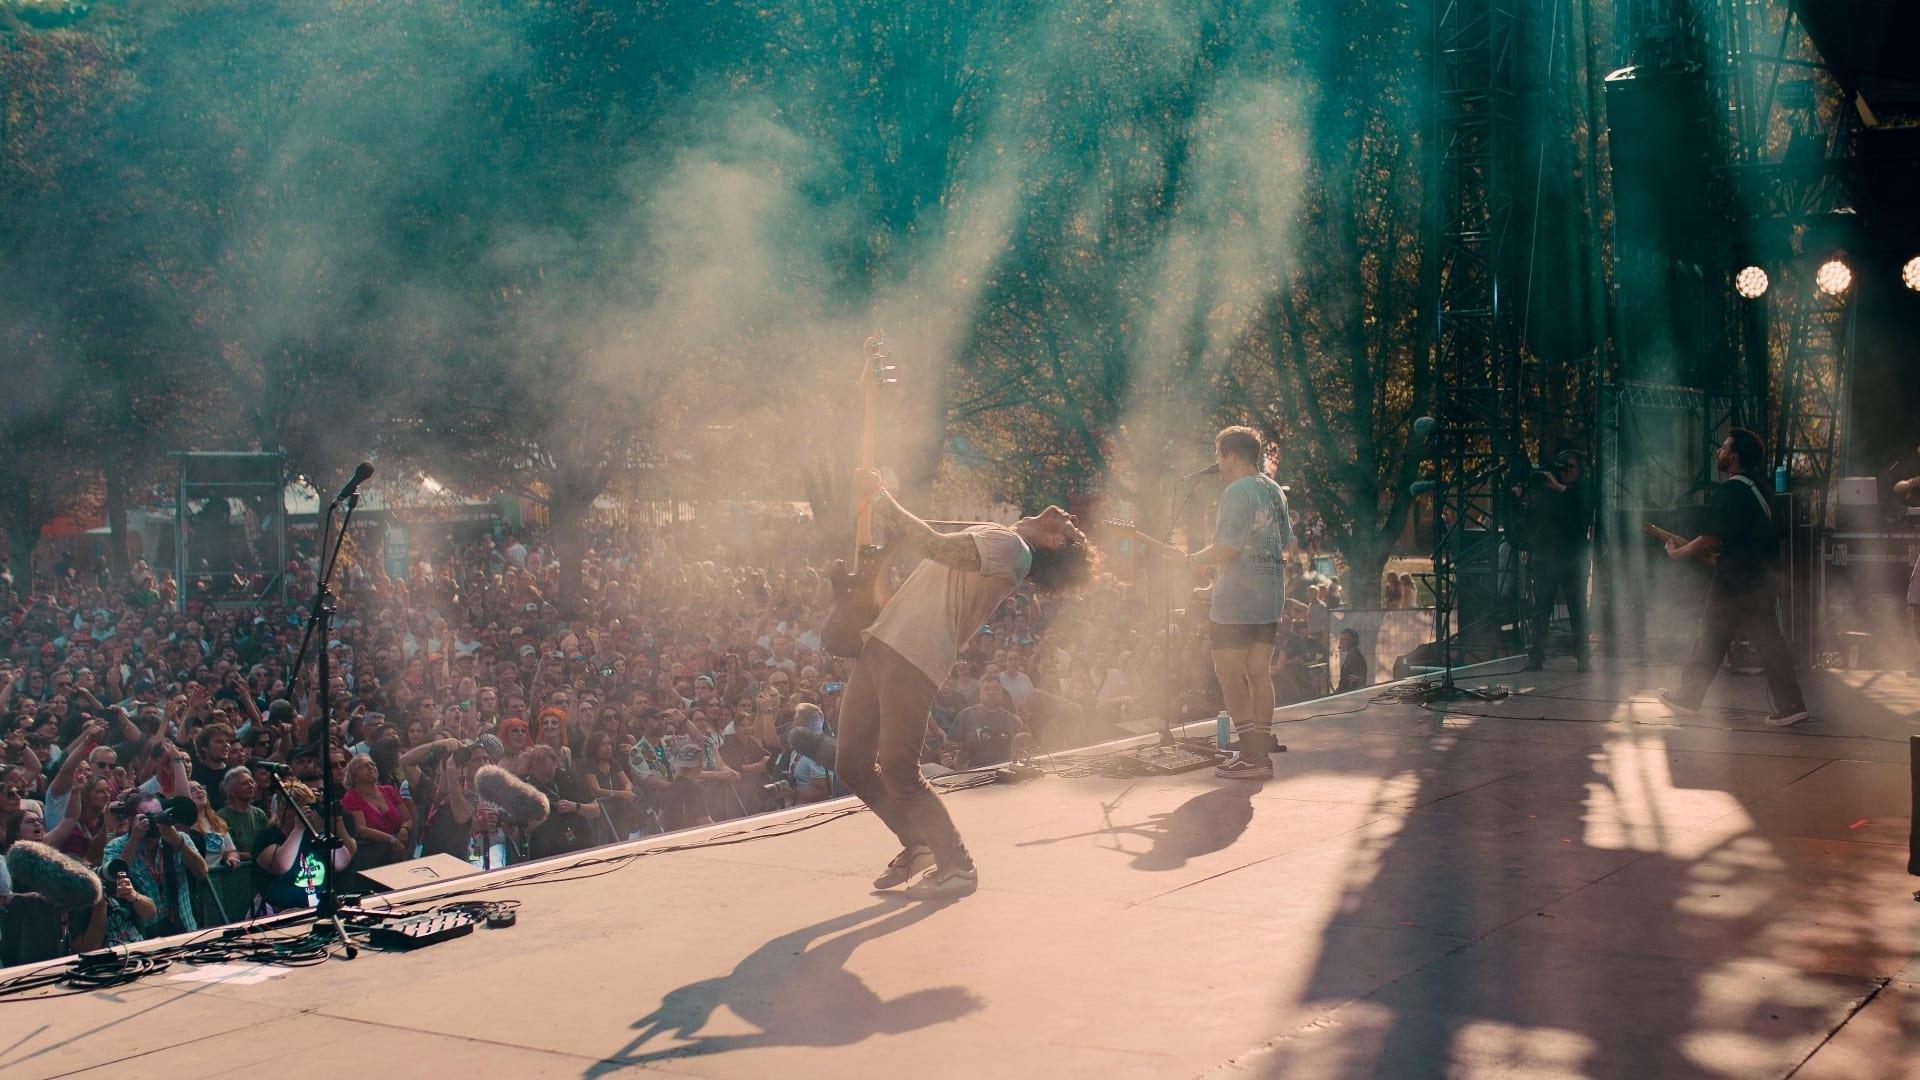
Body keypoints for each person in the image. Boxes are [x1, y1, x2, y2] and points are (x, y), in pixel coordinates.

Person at [848, 467, 1093, 899]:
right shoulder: (1003, 537)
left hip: (913, 655)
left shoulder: (1014, 547)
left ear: (1057, 542)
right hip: (884, 645)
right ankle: (918, 843)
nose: (1066, 515)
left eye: (1071, 526)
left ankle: (958, 865)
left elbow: (933, 545)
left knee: (899, 768)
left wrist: (881, 497)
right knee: (850, 762)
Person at [1659, 429, 1810, 727]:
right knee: (1769, 641)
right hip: (1761, 579)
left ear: (1735, 456)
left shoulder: (1730, 490)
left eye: (1724, 447)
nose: (1719, 451)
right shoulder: (1762, 490)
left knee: (1710, 637)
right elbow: (1771, 536)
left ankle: (1689, 698)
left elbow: (1711, 537)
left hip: (1734, 581)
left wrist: (1679, 553)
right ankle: (1792, 704)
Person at [1185, 426, 1293, 780]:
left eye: (1218, 456)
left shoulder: (1236, 491)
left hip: (1236, 606)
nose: (1217, 464)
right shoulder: (1275, 491)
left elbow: (1228, 548)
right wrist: (1213, 587)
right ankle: (1259, 755)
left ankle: (1250, 757)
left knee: (1229, 675)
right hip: (1268, 598)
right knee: (1258, 673)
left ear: (1231, 455)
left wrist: (1195, 559)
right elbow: (1275, 544)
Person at [1524, 450, 1594, 672]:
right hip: (1548, 558)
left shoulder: (1584, 489)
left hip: (1574, 559)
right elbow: (1535, 519)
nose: (1567, 471)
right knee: (1541, 609)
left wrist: (1558, 488)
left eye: (1571, 466)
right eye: (1563, 466)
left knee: (1578, 610)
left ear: (1579, 468)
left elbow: (1582, 512)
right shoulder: (1549, 491)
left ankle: (1583, 659)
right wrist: (1526, 498)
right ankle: (1536, 657)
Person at [254, 778, 356, 911]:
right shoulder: (267, 837)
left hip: (318, 907)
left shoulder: (314, 836)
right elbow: (281, 865)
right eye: (306, 808)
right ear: (286, 810)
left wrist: (322, 831)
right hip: (279, 911)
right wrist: (298, 829)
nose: (311, 814)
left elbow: (341, 863)